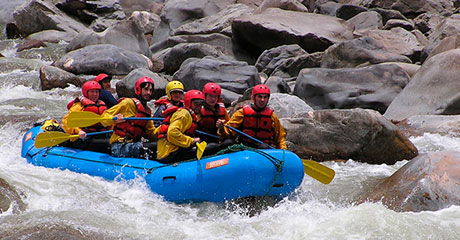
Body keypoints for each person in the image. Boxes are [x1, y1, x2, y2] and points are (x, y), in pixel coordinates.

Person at [99, 77, 158, 158]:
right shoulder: (127, 103)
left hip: (133, 144)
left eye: (150, 90)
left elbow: (151, 134)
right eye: (146, 89)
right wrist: (114, 118)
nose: (148, 92)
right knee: (153, 147)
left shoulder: (147, 111)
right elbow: (103, 118)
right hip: (120, 146)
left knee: (158, 145)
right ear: (138, 89)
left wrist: (165, 131)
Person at [219, 84, 287, 150]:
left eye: (265, 97)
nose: (262, 100)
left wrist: (283, 150)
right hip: (245, 147)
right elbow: (228, 133)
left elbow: (280, 138)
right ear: (253, 98)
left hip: (263, 149)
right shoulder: (242, 113)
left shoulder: (272, 117)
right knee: (228, 143)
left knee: (264, 146)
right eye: (260, 97)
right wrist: (222, 129)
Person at [156, 90, 205, 163]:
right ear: (189, 103)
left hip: (170, 151)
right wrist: (192, 141)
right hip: (170, 154)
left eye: (200, 104)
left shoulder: (189, 114)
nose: (198, 107)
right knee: (214, 148)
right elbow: (172, 133)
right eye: (196, 104)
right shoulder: (184, 114)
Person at [62, 80, 111, 153]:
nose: (95, 94)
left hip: (99, 135)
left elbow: (108, 120)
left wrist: (116, 120)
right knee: (108, 144)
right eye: (92, 92)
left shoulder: (102, 105)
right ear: (86, 93)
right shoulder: (78, 106)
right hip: (83, 138)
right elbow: (66, 121)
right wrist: (79, 131)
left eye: (97, 92)